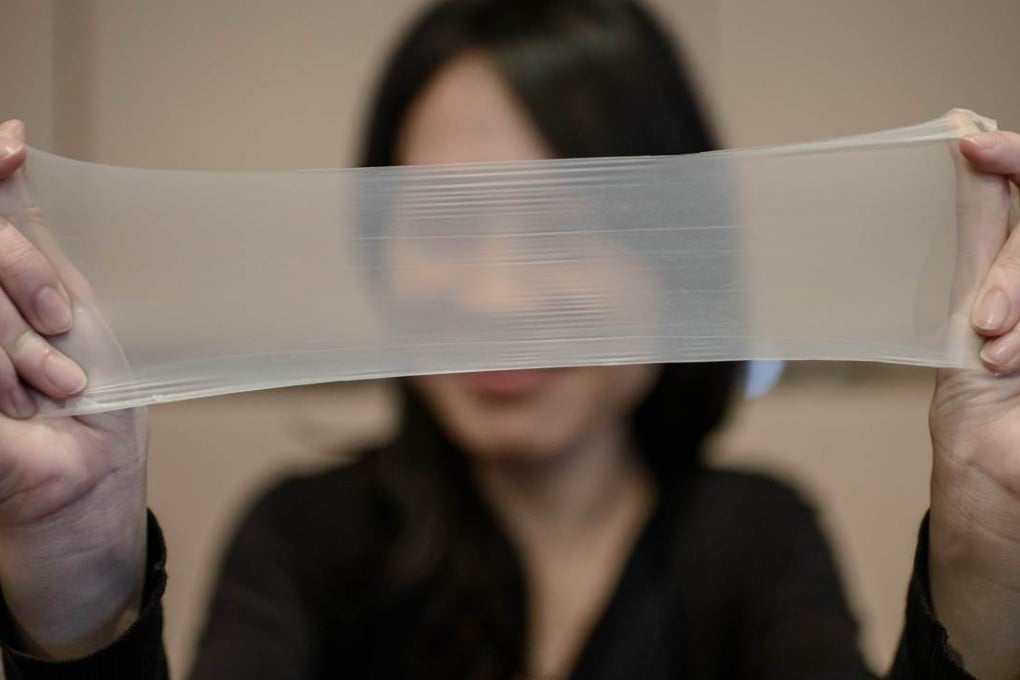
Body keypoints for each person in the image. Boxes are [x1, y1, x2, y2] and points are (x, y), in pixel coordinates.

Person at [0, 0, 1018, 677]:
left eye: (572, 224)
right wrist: (77, 587)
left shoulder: (752, 540)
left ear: (681, 255)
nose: (495, 295)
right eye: (442, 222)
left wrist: (990, 563)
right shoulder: (307, 540)